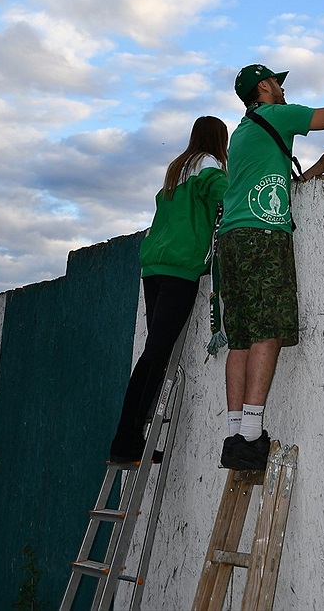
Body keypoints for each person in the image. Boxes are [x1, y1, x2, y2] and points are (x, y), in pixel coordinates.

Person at [218, 54, 324, 471]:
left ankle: (237, 432)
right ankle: (253, 435)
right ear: (263, 88)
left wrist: (316, 168)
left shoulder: (242, 134)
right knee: (269, 329)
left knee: (240, 337)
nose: (281, 86)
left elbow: (275, 189)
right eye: (276, 81)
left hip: (232, 240)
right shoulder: (276, 115)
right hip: (262, 236)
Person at [109, 116, 228, 464]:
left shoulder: (177, 168)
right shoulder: (208, 166)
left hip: (154, 266)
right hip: (180, 267)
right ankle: (127, 438)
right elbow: (229, 195)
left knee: (153, 352)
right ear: (219, 140)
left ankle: (127, 436)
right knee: (156, 355)